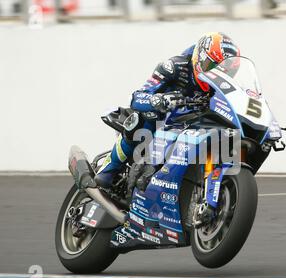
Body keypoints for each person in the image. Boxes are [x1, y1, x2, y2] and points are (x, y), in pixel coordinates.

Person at [95, 32, 240, 188]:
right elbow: (137, 98)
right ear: (201, 57)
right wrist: (160, 100)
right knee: (139, 120)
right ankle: (108, 170)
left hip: (194, 127)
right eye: (213, 67)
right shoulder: (174, 67)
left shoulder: (223, 87)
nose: (216, 74)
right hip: (162, 122)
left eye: (223, 72)